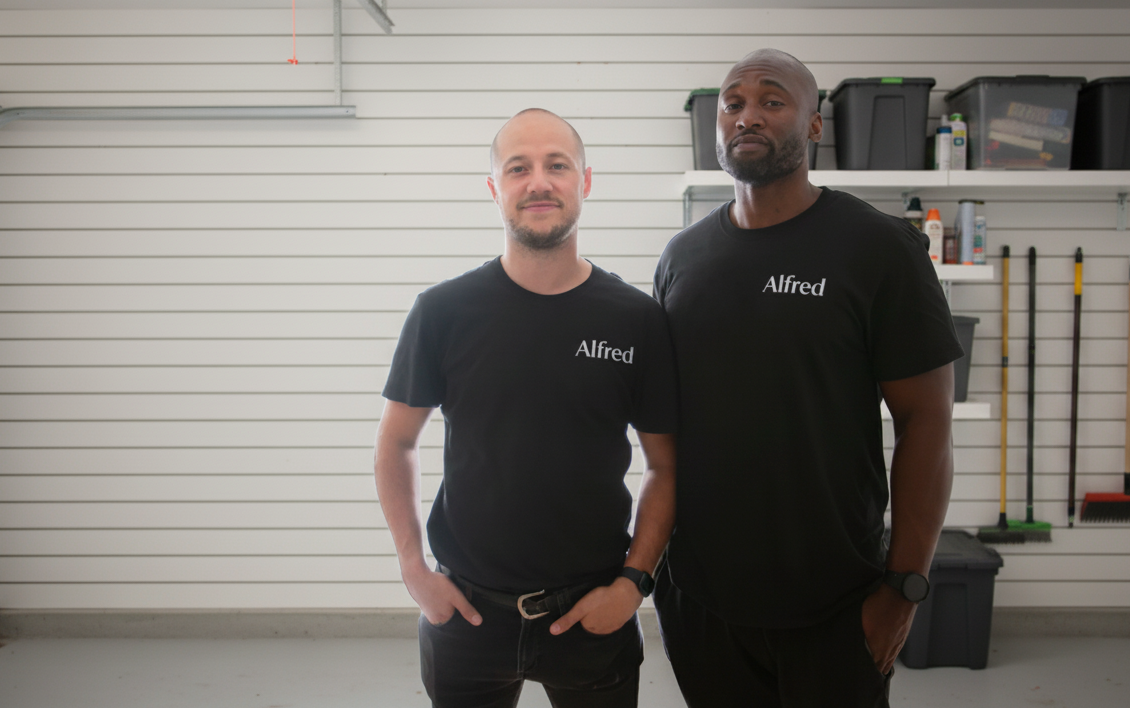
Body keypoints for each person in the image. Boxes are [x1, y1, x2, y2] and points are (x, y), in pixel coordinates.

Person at [652, 49, 962, 707]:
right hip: (702, 599)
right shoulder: (682, 257)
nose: (747, 115)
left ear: (814, 126)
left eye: (771, 99)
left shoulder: (877, 247)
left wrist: (903, 586)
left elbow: (926, 421)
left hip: (836, 601)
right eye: (732, 103)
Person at [375, 108, 679, 708]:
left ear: (585, 182)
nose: (538, 181)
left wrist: (634, 582)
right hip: (466, 616)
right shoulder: (443, 313)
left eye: (556, 165)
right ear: (496, 189)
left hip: (593, 615)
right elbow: (396, 442)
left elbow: (666, 466)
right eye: (518, 168)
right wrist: (414, 568)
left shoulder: (635, 319)